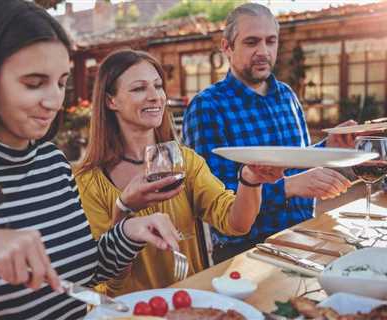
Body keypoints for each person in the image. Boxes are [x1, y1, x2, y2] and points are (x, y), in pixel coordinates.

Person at [0, 1, 182, 319]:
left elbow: (81, 274)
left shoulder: (53, 164)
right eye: (34, 83)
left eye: (62, 82)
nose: (54, 101)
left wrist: (128, 232)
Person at [75, 49, 284, 296]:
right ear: (111, 101)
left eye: (158, 86)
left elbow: (237, 223)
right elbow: (110, 279)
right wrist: (123, 210)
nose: (156, 97)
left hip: (188, 300)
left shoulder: (186, 161)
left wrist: (249, 180)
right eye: (139, 88)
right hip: (131, 309)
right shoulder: (88, 181)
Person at [182, 3, 353, 263]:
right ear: (227, 47)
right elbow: (212, 199)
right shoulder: (207, 106)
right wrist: (289, 187)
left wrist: (330, 145)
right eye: (251, 42)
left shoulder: (286, 95)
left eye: (270, 41)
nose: (263, 51)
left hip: (304, 236)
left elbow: (297, 161)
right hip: (246, 251)